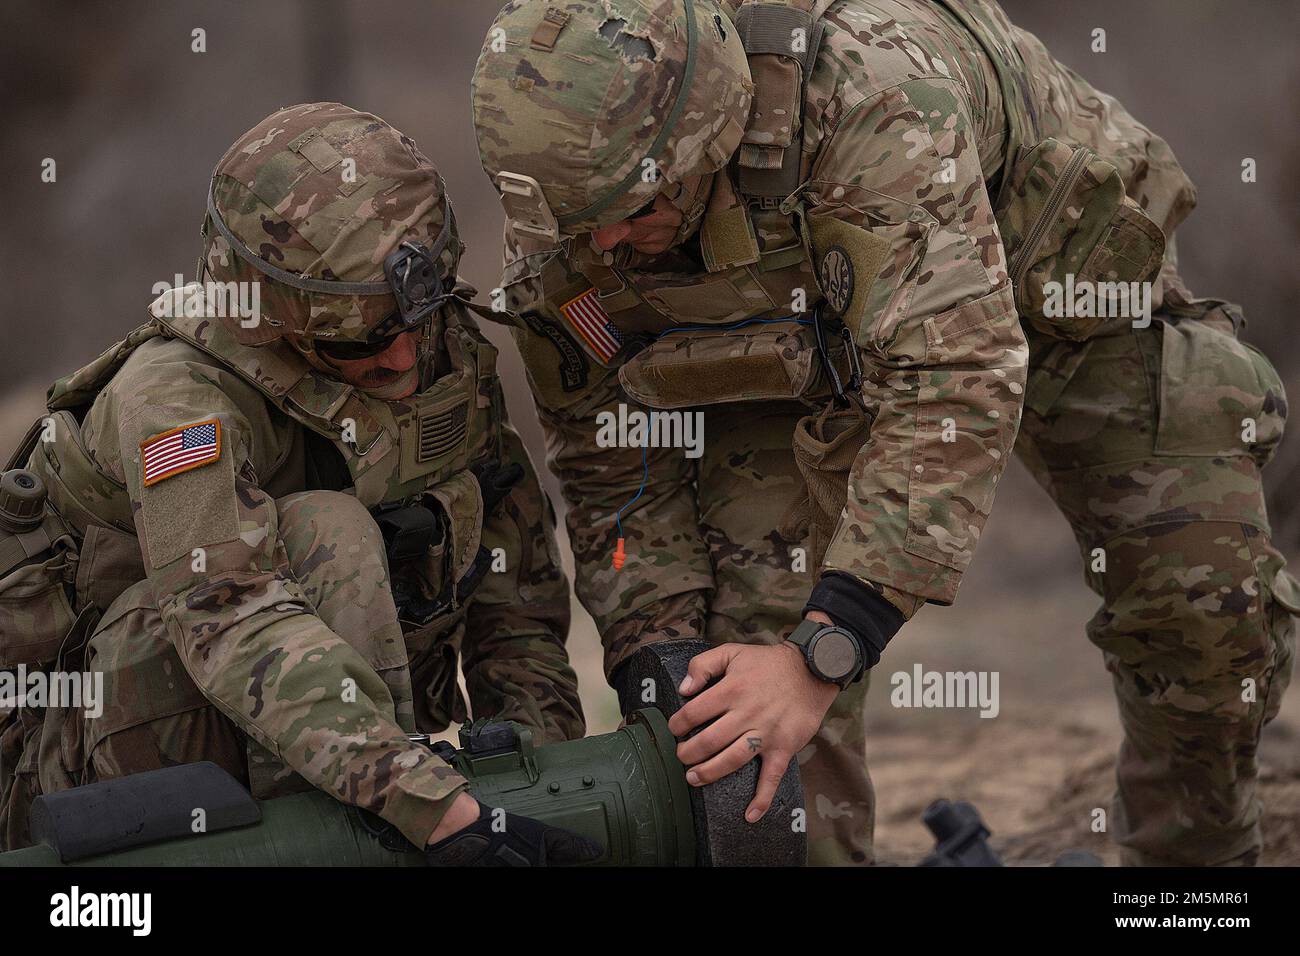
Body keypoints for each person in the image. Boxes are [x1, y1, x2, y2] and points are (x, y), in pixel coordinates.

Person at [470, 0, 1296, 865]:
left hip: (1051, 302)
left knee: (1205, 612)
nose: (604, 239)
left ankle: (1186, 888)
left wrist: (830, 644)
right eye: (581, 217)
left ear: (707, 132)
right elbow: (611, 449)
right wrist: (659, 654)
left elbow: (955, 376)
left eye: (635, 207)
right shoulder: (574, 195)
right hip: (789, 346)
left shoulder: (868, 92)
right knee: (743, 699)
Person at [0, 102, 599, 866]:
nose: (404, 359)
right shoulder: (176, 399)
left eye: (420, 317)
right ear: (276, 322)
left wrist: (539, 780)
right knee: (327, 531)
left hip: (346, 754)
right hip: (88, 770)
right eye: (363, 340)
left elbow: (512, 582)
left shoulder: (440, 356)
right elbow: (227, 608)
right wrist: (424, 802)